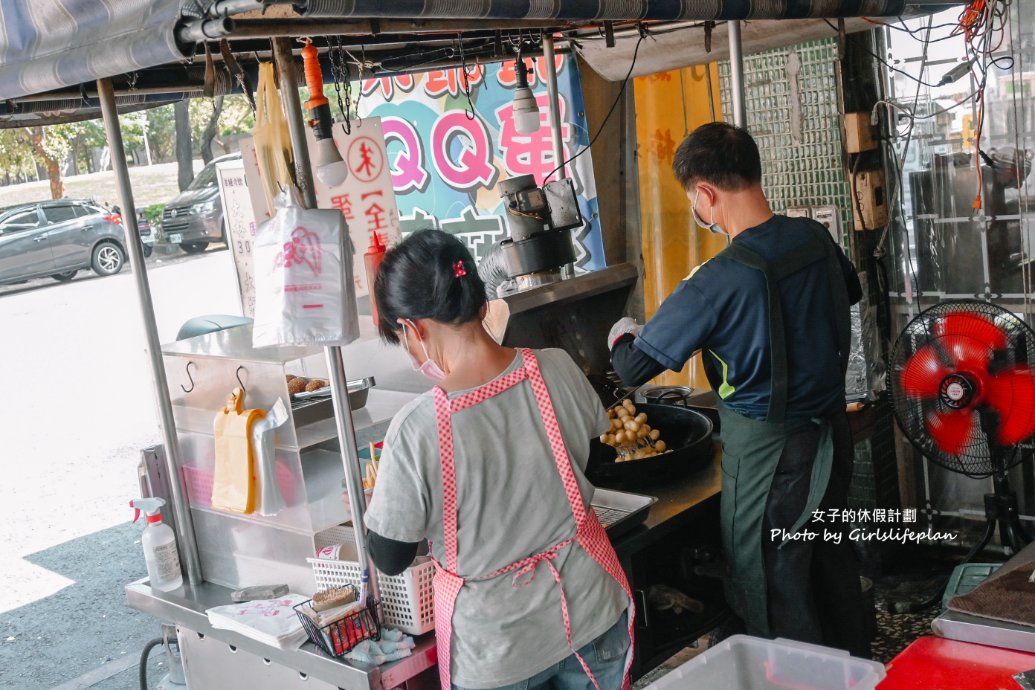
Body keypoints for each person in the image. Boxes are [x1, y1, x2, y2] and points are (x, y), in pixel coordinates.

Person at [608, 122, 869, 657]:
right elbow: (852, 289)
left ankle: (797, 675)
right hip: (831, 436)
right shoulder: (813, 237)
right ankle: (857, 670)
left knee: (774, 580)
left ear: (705, 195)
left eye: (694, 202)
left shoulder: (717, 279)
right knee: (830, 562)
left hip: (769, 460)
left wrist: (620, 331)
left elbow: (633, 368)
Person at [365, 229, 634, 690]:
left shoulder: (416, 429)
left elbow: (390, 555)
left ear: (413, 328)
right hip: (591, 616)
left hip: (500, 652)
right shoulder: (557, 367)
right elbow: (594, 461)